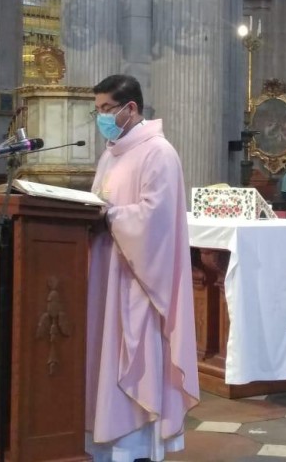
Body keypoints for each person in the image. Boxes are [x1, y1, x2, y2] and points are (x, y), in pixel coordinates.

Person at [86, 74, 199, 462]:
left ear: (130, 108)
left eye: (106, 109)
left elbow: (156, 220)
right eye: (97, 110)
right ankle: (106, 441)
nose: (101, 117)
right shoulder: (112, 152)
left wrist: (110, 216)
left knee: (135, 358)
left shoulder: (158, 152)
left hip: (139, 281)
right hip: (108, 271)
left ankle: (135, 446)